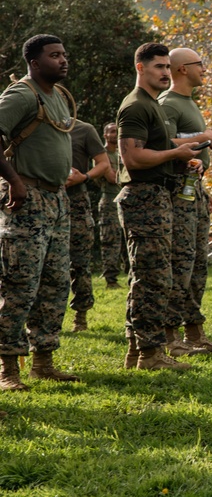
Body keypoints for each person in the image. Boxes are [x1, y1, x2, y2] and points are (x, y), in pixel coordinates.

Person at [0, 34, 80, 390]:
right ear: (34, 62)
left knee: (55, 283)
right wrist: (14, 181)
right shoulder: (21, 95)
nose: (63, 60)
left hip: (56, 199)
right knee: (20, 283)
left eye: (64, 54)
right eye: (54, 55)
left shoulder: (58, 95)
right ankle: (7, 370)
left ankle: (43, 362)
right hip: (27, 199)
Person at [116, 42, 202, 371]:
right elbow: (133, 158)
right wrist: (175, 153)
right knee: (152, 279)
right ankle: (150, 355)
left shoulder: (152, 105)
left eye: (168, 66)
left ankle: (138, 352)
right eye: (158, 67)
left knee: (151, 278)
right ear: (140, 68)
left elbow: (156, 151)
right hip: (144, 198)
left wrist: (182, 160)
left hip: (157, 196)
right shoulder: (136, 105)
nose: (166, 72)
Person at [159, 47, 212, 356]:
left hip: (194, 190)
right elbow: (162, 143)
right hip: (176, 193)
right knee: (180, 262)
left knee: (197, 264)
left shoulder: (188, 102)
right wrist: (204, 138)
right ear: (182, 69)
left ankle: (194, 332)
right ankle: (170, 336)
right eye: (199, 64)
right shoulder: (168, 103)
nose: (204, 68)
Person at [66, 120, 110, 332]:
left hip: (76, 201)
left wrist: (84, 177)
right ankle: (44, 320)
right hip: (41, 199)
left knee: (80, 262)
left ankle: (80, 316)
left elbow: (103, 164)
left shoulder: (84, 130)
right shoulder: (33, 125)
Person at [98, 122, 127, 289]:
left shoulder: (121, 152)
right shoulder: (102, 154)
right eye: (112, 131)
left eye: (117, 131)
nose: (115, 134)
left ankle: (130, 273)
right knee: (111, 240)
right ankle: (111, 279)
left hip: (123, 199)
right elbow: (111, 177)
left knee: (126, 239)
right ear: (105, 135)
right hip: (109, 200)